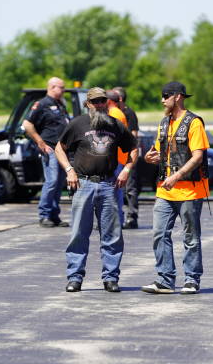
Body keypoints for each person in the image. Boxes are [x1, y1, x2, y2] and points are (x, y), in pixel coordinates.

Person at [54, 87, 138, 293]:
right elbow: (59, 148)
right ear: (88, 104)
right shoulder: (77, 124)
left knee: (112, 235)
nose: (100, 105)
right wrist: (69, 170)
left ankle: (110, 278)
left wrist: (126, 169)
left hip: (109, 185)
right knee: (79, 234)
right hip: (83, 184)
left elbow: (134, 148)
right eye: (96, 101)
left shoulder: (116, 125)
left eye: (103, 101)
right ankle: (75, 277)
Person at [141, 81, 209, 295]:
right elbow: (161, 153)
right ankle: (165, 279)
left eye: (166, 96)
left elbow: (197, 156)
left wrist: (177, 176)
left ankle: (191, 279)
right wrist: (149, 158)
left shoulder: (194, 123)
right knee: (159, 234)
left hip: (190, 190)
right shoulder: (164, 123)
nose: (162, 100)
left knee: (190, 236)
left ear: (178, 97)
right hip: (165, 190)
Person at [22, 77, 70, 228]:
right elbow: (27, 124)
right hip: (50, 148)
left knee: (59, 182)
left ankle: (54, 215)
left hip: (62, 149)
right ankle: (44, 215)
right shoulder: (41, 104)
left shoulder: (60, 104)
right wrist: (39, 142)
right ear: (52, 87)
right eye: (61, 88)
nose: (63, 91)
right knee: (52, 181)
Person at [113, 86, 140, 229]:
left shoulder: (129, 113)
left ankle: (132, 217)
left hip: (127, 156)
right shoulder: (110, 112)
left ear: (120, 99)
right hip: (115, 157)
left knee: (130, 188)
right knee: (117, 189)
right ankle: (118, 217)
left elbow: (134, 135)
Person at [106, 89, 128, 228]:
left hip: (117, 158)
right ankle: (116, 220)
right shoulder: (117, 113)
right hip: (119, 157)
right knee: (115, 191)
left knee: (114, 192)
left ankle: (117, 221)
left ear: (108, 101)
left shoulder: (114, 114)